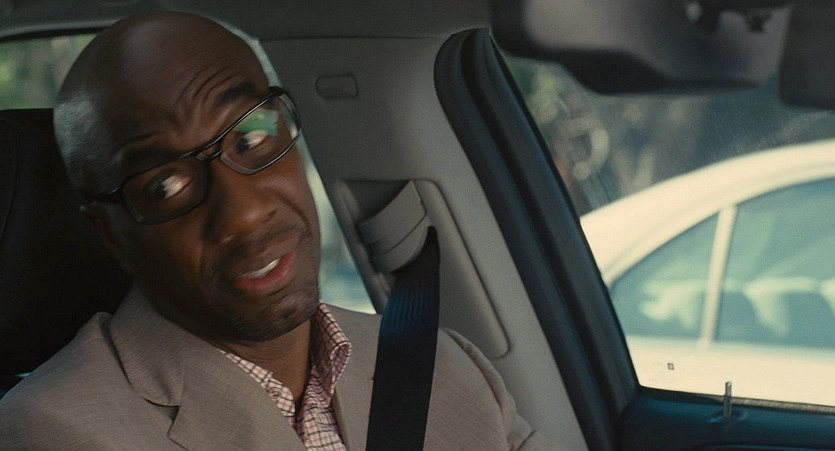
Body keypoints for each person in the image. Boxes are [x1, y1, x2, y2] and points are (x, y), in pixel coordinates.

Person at [0, 11, 557, 450]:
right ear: (110, 233)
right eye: (165, 184)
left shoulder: (440, 366)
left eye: (252, 137)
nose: (243, 212)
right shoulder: (50, 432)